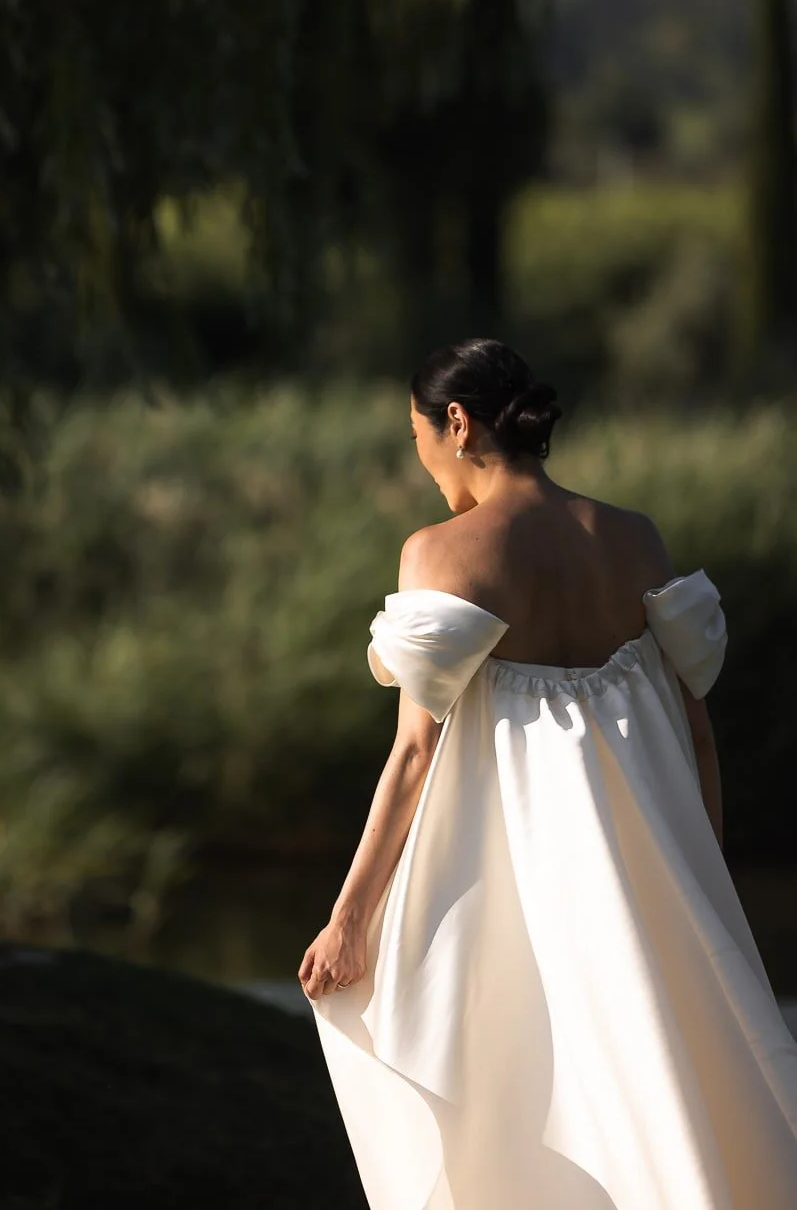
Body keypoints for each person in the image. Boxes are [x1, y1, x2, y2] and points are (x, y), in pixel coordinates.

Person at [299, 337, 797, 1210]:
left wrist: (349, 918)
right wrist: (703, 886)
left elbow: (413, 754)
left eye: (415, 434)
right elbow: (697, 732)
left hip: (511, 894)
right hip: (648, 887)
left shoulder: (441, 552)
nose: (418, 457)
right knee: (660, 1092)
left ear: (455, 424)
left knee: (521, 1100)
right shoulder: (634, 540)